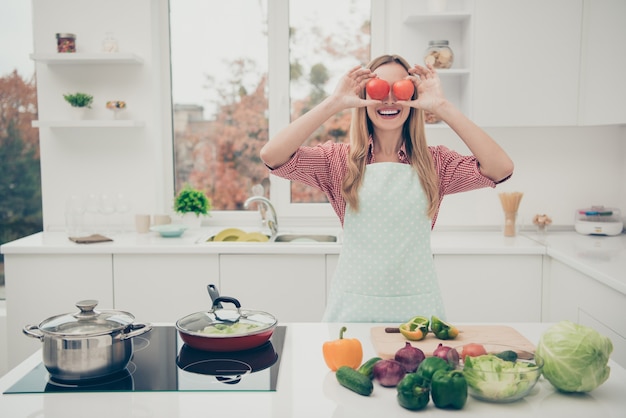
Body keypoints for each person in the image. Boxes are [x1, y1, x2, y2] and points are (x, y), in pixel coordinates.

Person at [260, 54, 514, 322]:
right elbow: (273, 156)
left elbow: (500, 168)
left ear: (413, 98)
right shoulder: (338, 161)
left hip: (418, 313)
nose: (390, 99)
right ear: (364, 97)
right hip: (353, 310)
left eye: (400, 89)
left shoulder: (436, 163)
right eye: (379, 89)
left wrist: (441, 106)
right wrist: (334, 103)